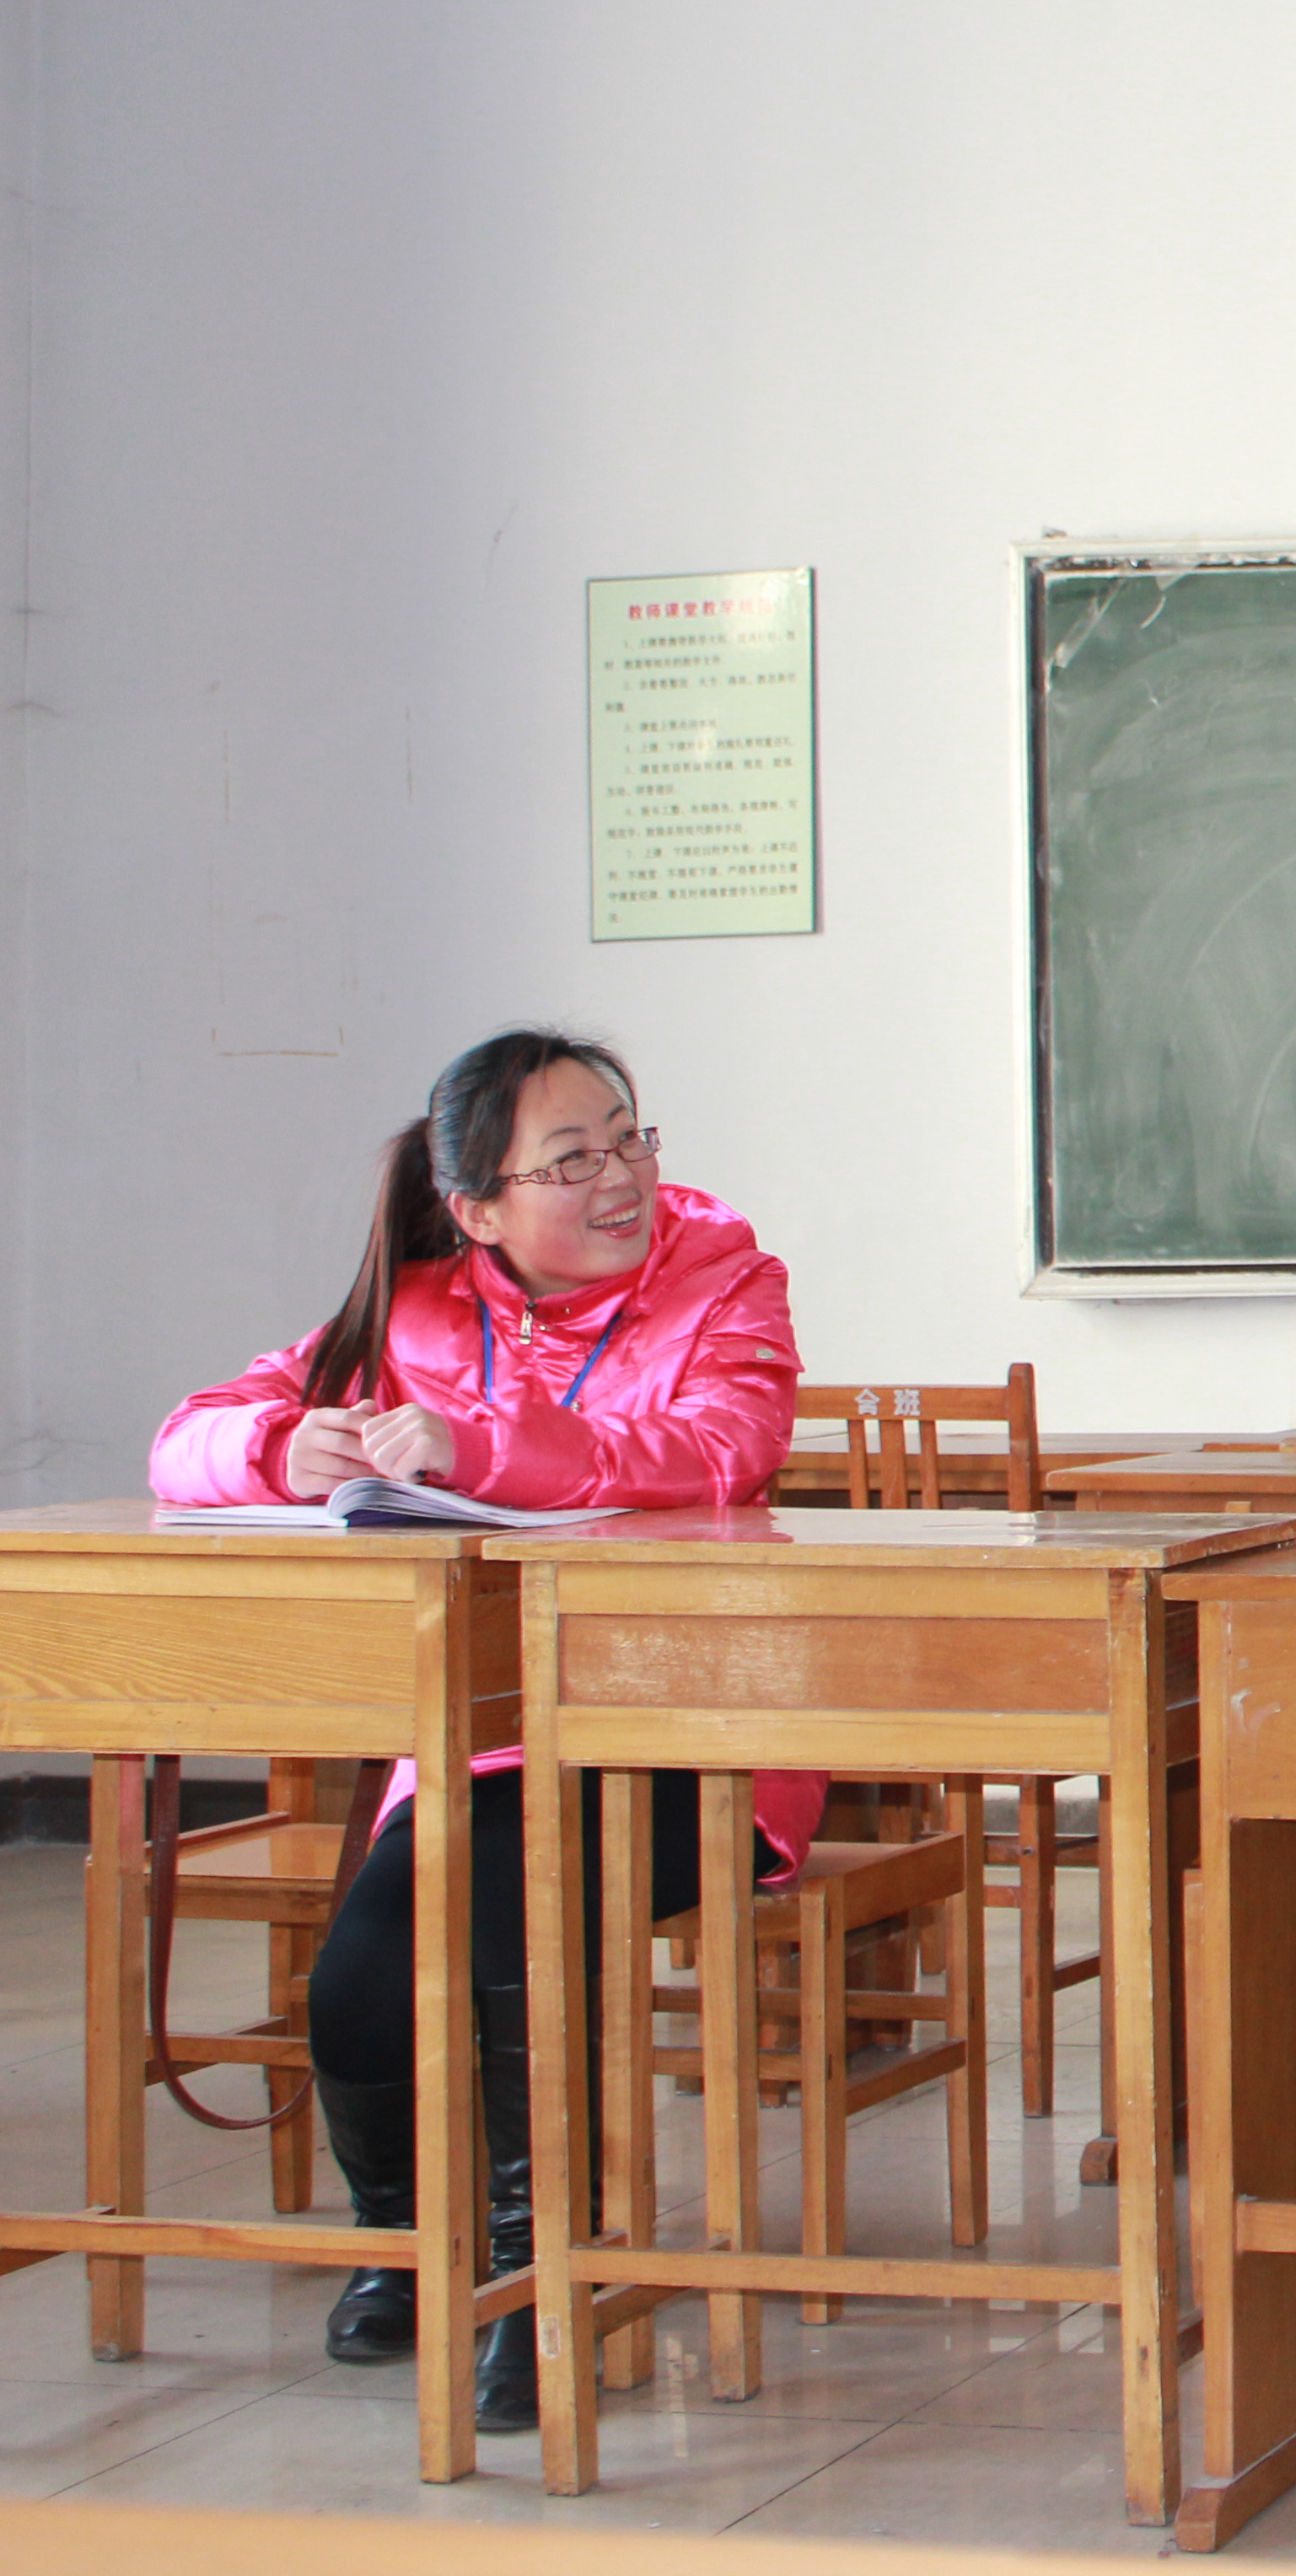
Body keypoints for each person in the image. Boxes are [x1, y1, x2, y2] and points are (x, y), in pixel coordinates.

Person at [152, 1029, 806, 2431]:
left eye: (628, 1139)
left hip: (693, 1726)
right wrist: (279, 1450)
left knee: (508, 1917)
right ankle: (405, 2241)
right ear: (477, 1208)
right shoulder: (415, 1307)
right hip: (481, 1740)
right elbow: (185, 1436)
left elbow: (722, 1450)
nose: (619, 1177)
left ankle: (535, 2266)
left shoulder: (726, 1275)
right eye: (571, 1160)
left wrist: (481, 1443)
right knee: (358, 1978)